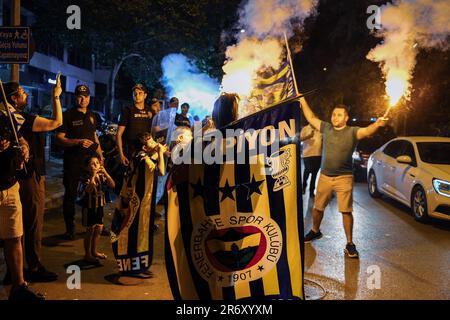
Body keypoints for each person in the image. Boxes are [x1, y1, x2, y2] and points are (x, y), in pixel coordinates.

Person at [299, 98, 388, 258]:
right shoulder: (326, 128)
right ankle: (315, 231)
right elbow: (311, 118)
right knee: (318, 208)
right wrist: (302, 100)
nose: (335, 117)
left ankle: (350, 244)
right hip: (325, 176)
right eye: (333, 114)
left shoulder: (352, 132)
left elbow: (367, 131)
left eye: (339, 115)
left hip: (344, 178)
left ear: (346, 118)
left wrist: (377, 124)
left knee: (346, 211)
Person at [3, 80, 63, 283]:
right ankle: (33, 266)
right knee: (31, 224)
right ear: (13, 99)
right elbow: (56, 122)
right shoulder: (22, 119)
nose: (26, 95)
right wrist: (56, 96)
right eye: (21, 92)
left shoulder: (12, 118)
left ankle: (13, 272)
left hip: (18, 178)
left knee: (16, 228)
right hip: (28, 178)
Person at [0, 98, 44, 300]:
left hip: (9, 186)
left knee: (14, 237)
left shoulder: (6, 114)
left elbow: (20, 138)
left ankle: (18, 286)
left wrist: (23, 150)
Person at [111, 132, 166, 276]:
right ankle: (134, 267)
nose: (155, 143)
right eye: (151, 142)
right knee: (136, 233)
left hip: (130, 200)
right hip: (138, 203)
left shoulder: (138, 156)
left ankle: (137, 266)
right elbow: (161, 171)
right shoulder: (145, 161)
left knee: (133, 232)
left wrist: (157, 153)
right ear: (144, 147)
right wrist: (161, 154)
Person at [56, 84, 104, 240]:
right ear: (75, 97)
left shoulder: (92, 115)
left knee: (96, 194)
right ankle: (70, 229)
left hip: (90, 162)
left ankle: (95, 225)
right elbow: (59, 138)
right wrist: (77, 142)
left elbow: (94, 135)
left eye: (86, 96)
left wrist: (100, 154)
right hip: (73, 161)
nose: (83, 99)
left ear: (89, 98)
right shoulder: (67, 115)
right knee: (70, 194)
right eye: (80, 96)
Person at [78, 154, 115, 264]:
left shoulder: (102, 175)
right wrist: (93, 175)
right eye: (93, 164)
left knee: (98, 229)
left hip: (100, 206)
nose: (96, 165)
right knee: (90, 230)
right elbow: (88, 190)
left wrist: (106, 174)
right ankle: (87, 254)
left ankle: (94, 251)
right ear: (87, 167)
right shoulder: (85, 177)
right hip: (88, 207)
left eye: (97, 163)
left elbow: (113, 185)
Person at [117, 83, 153, 167]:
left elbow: (153, 131)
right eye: (135, 94)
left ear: (145, 95)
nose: (137, 95)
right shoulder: (127, 110)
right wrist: (121, 154)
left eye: (140, 93)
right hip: (130, 151)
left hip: (145, 151)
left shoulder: (149, 111)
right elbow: (118, 134)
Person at [300, 123, 322, 198]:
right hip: (307, 154)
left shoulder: (320, 129)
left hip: (318, 154)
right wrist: (308, 136)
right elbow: (299, 139)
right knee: (308, 170)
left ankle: (311, 192)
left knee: (314, 174)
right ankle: (304, 186)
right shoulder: (305, 128)